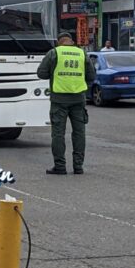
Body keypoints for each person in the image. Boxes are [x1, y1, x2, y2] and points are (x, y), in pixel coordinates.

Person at [37, 31, 96, 175]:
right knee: (79, 133)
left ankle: (60, 166)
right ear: (72, 41)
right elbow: (91, 76)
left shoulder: (54, 53)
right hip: (78, 99)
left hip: (59, 100)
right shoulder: (82, 54)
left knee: (58, 134)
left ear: (59, 42)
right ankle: (78, 167)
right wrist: (81, 87)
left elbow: (41, 73)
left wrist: (54, 73)